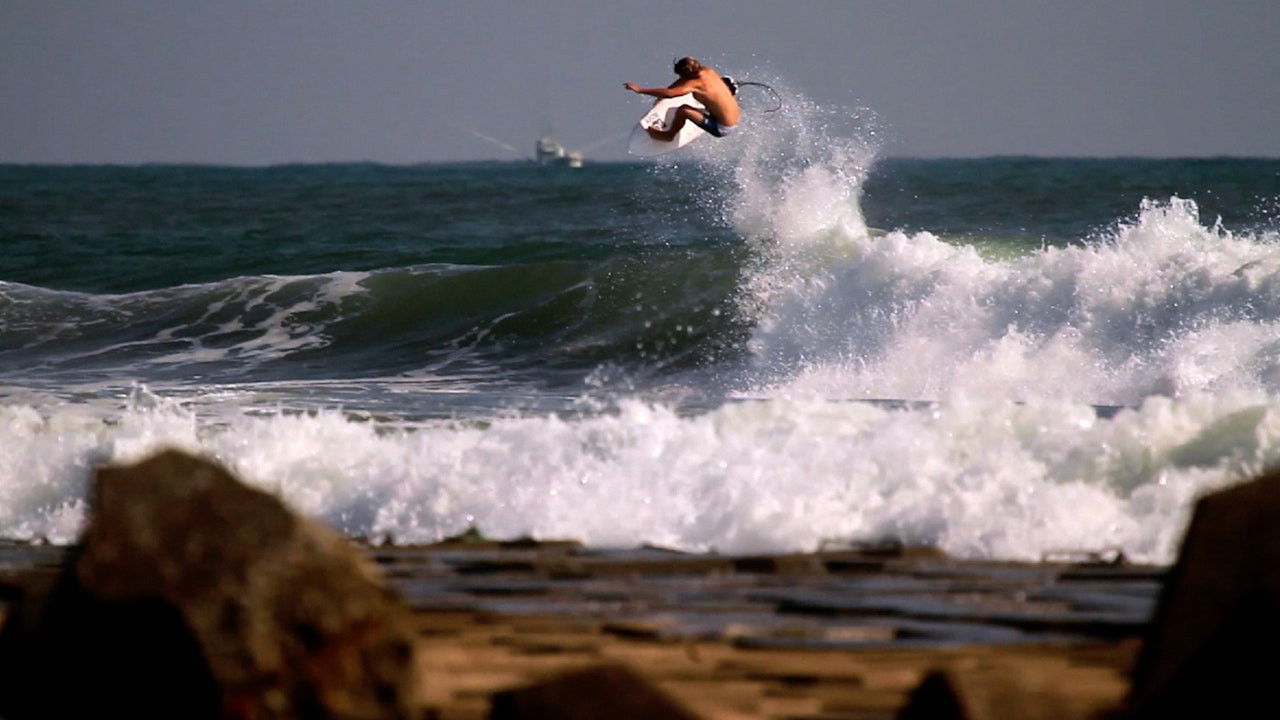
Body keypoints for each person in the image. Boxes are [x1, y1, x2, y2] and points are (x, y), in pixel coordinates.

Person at [624, 57, 741, 141]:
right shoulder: (707, 71)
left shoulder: (695, 84)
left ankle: (669, 135)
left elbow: (670, 94)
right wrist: (664, 93)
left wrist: (640, 90)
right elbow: (681, 82)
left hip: (722, 128)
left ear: (686, 75)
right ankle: (712, 113)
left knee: (683, 110)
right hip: (736, 120)